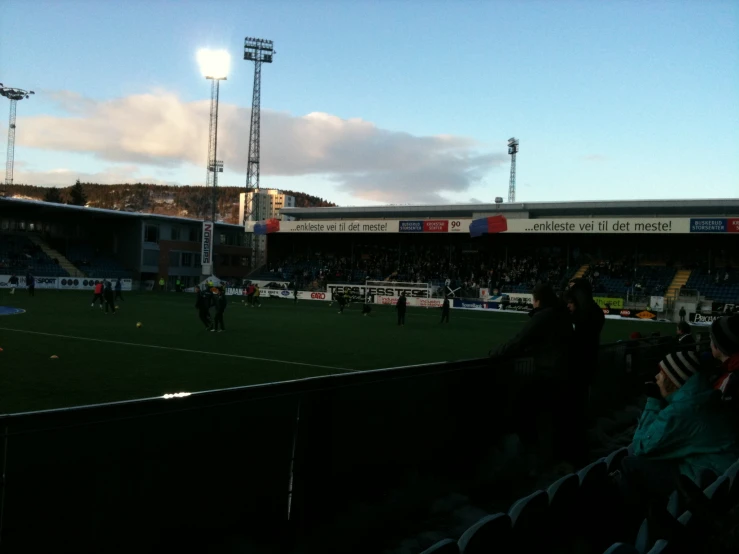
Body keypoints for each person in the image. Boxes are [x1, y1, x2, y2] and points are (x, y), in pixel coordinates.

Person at [614, 350, 739, 537]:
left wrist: (653, 401)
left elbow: (641, 446)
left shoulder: (685, 409)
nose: (656, 378)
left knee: (630, 465)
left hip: (704, 479)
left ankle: (629, 531)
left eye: (661, 374)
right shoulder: (699, 398)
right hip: (715, 473)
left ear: (672, 380)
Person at [489, 283, 574, 472]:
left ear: (538, 300)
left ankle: (532, 462)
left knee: (526, 412)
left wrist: (493, 353)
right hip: (564, 376)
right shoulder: (562, 315)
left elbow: (519, 341)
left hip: (550, 376)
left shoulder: (544, 316)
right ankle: (554, 461)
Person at [563, 279, 605, 466]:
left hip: (577, 369)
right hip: (586, 368)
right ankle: (578, 452)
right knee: (578, 412)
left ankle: (576, 455)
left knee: (573, 414)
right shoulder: (594, 312)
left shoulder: (585, 314)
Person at [708, 315, 739, 411]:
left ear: (719, 345)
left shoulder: (732, 380)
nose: (710, 343)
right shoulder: (729, 370)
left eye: (711, 339)